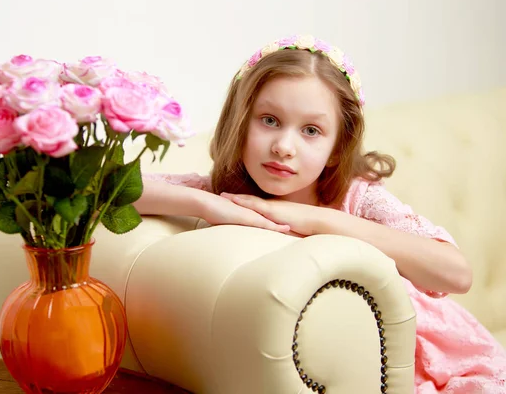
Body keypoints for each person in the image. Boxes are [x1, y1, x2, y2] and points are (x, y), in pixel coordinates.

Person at [134, 34, 506, 393]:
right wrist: (205, 203)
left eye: (311, 130)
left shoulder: (356, 199)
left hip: (419, 360)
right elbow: (104, 188)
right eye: (269, 120)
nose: (283, 146)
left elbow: (456, 274)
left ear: (335, 148)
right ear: (240, 120)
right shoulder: (225, 196)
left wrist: (321, 221)